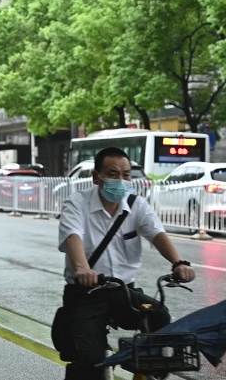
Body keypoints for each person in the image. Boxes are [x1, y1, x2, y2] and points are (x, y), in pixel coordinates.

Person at [58, 147, 195, 380]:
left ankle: (144, 373)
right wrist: (82, 267)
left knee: (159, 317)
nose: (120, 180)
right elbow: (73, 236)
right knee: (89, 360)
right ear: (96, 177)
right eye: (112, 174)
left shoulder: (136, 204)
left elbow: (156, 233)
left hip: (123, 291)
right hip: (86, 293)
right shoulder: (77, 203)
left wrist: (178, 263)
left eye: (126, 175)